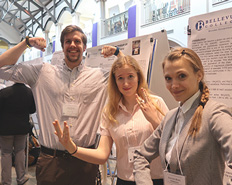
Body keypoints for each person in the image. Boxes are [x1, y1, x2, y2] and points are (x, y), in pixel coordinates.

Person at [131, 48, 232, 185]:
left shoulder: (214, 114)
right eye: (168, 78)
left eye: (181, 76)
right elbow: (140, 155)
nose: (174, 85)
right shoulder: (170, 117)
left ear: (198, 75)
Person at [0, 25, 111, 185]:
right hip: (51, 162)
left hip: (84, 161)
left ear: (84, 47)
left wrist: (116, 53)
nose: (72, 44)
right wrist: (27, 43)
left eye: (77, 41)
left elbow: (133, 75)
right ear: (63, 46)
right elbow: (2, 67)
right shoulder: (43, 72)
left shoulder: (100, 76)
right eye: (68, 41)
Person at [51, 53, 168, 185]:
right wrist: (72, 148)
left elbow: (172, 143)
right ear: (115, 81)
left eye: (130, 76)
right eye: (120, 78)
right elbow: (102, 155)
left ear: (138, 77)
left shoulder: (156, 103)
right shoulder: (110, 112)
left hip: (156, 179)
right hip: (125, 180)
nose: (126, 83)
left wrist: (154, 120)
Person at [0, 82, 36, 185]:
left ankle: (6, 182)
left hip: (5, 129)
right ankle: (21, 179)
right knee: (20, 152)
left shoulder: (4, 92)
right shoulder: (29, 92)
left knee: (6, 153)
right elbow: (33, 110)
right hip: (22, 128)